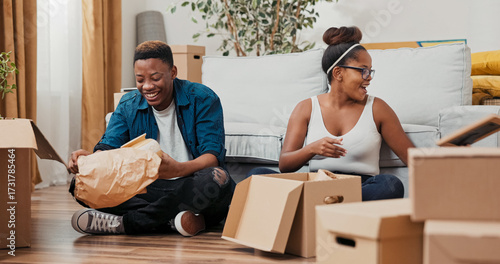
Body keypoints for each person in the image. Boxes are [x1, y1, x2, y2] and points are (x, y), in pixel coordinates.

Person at [68, 40, 234, 236]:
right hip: (149, 187)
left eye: (155, 78)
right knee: (80, 183)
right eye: (140, 80)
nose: (147, 86)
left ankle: (124, 224)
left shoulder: (203, 98)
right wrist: (90, 161)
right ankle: (177, 220)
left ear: (172, 72)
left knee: (218, 179)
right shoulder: (128, 104)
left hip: (191, 183)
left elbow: (212, 156)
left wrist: (178, 168)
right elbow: (108, 146)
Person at [248, 26, 414, 201]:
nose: (369, 77)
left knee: (390, 184)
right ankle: (330, 204)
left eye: (370, 71)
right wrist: (312, 149)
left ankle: (319, 205)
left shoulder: (378, 108)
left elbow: (412, 158)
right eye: (363, 70)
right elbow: (285, 165)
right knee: (256, 176)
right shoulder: (306, 107)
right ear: (338, 73)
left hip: (360, 187)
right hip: (317, 184)